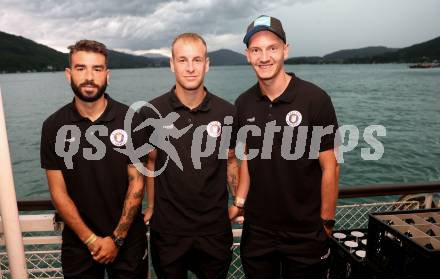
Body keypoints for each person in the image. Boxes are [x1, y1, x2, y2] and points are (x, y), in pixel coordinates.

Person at [229, 15, 340, 278]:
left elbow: (331, 166)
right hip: (258, 234)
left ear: (285, 51)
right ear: (247, 55)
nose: (264, 57)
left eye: (272, 48)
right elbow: (246, 160)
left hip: (305, 234)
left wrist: (326, 222)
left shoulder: (316, 99)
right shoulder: (243, 104)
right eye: (256, 50)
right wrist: (239, 202)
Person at [40, 39, 148, 278]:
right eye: (81, 68)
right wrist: (90, 240)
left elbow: (137, 183)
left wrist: (117, 240)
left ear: (107, 75)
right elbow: (58, 192)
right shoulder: (53, 127)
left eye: (97, 69)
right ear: (69, 74)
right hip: (79, 243)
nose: (89, 76)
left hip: (128, 241)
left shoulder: (132, 120)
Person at [141, 33, 239, 279]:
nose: (191, 68)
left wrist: (239, 202)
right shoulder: (150, 112)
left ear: (207, 64)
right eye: (183, 60)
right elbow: (151, 162)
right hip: (169, 233)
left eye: (197, 60)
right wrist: (151, 205)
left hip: (214, 231)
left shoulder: (227, 112)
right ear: (172, 64)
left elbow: (231, 162)